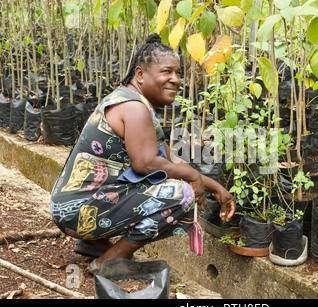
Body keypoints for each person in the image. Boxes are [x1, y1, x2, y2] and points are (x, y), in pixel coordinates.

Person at [50, 34, 236, 273]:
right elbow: (146, 164)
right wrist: (193, 179)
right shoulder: (135, 108)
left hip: (73, 208)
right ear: (139, 74)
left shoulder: (130, 101)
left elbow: (169, 162)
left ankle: (94, 244)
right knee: (183, 195)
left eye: (178, 74)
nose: (176, 80)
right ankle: (108, 262)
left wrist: (217, 189)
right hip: (78, 211)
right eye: (166, 72)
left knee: (176, 181)